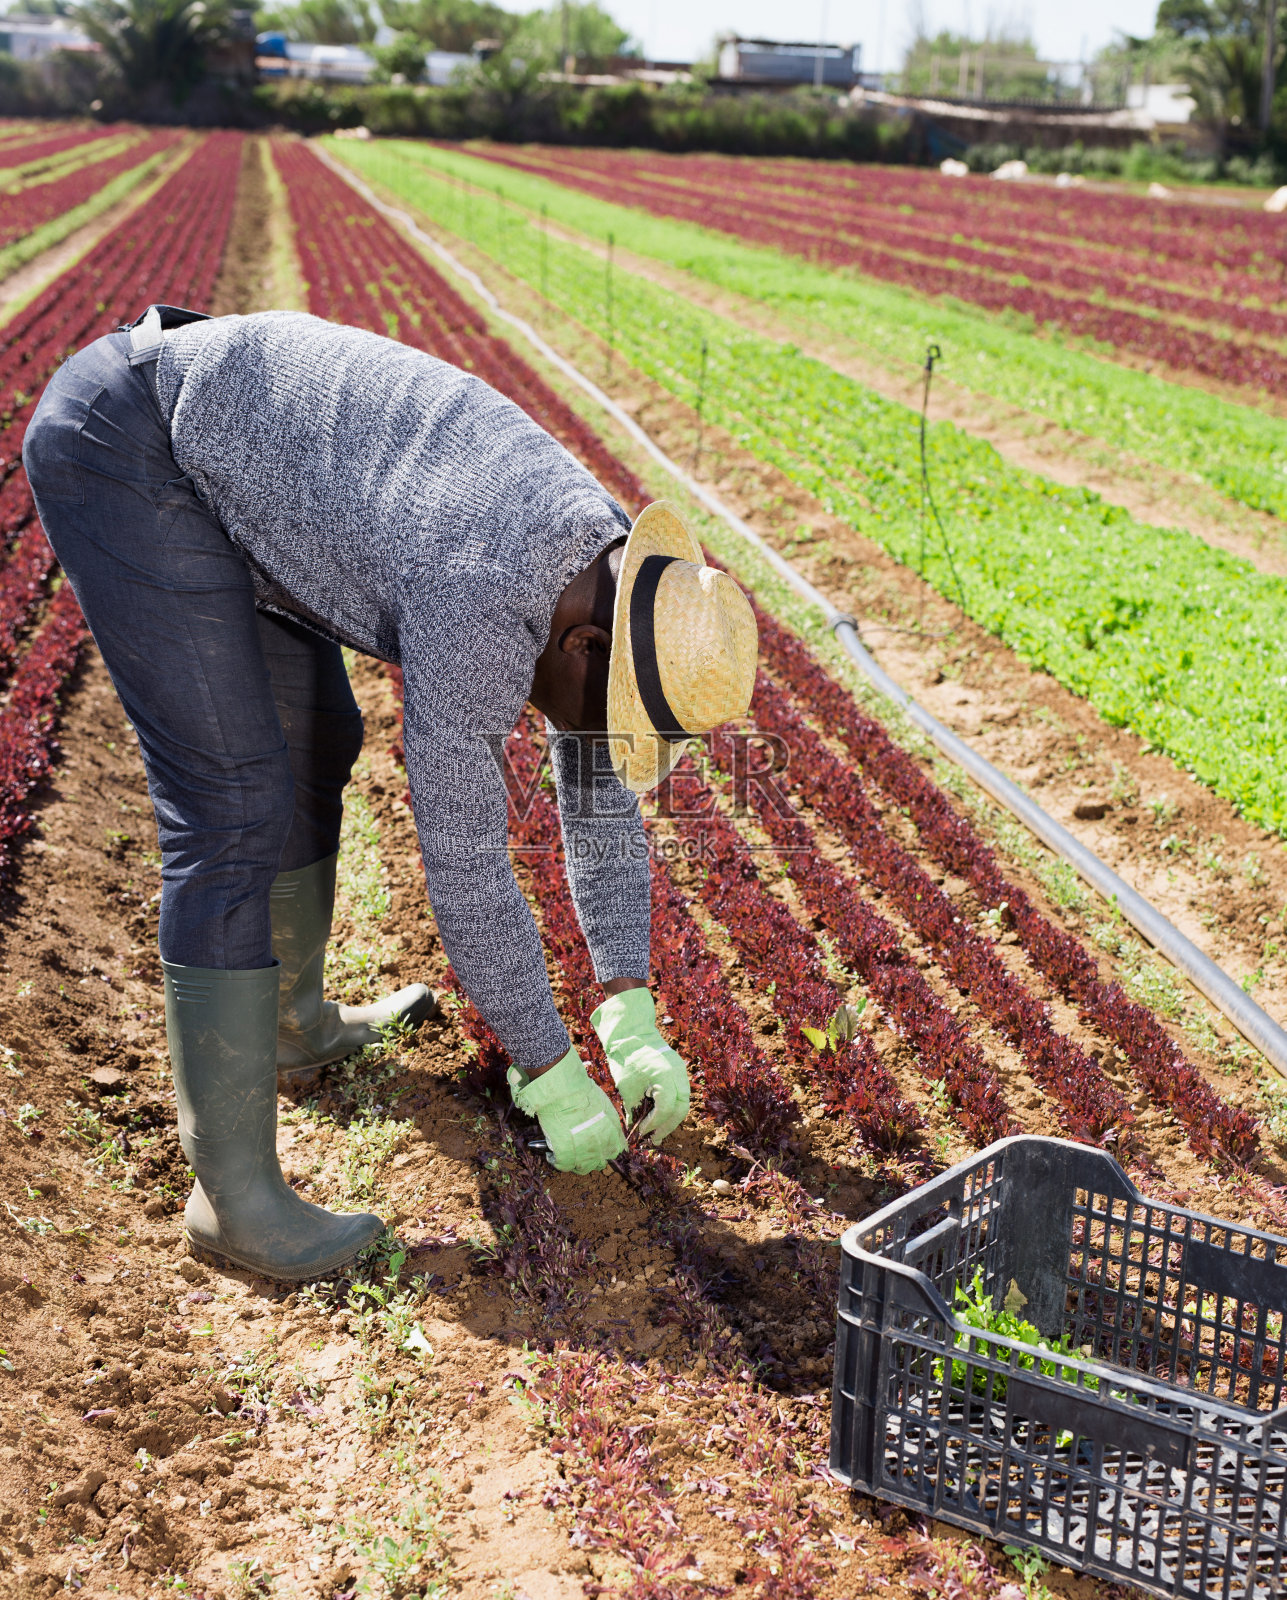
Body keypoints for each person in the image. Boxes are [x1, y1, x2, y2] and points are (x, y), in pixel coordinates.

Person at [23, 306, 758, 1282]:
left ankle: (291, 1026)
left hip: (247, 484)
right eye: (607, 711)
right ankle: (233, 1201)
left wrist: (629, 1007)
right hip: (135, 447)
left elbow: (599, 786)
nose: (600, 739)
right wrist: (548, 1067)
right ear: (583, 649)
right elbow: (462, 862)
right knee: (234, 805)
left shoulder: (618, 580)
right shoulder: (489, 590)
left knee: (322, 736)